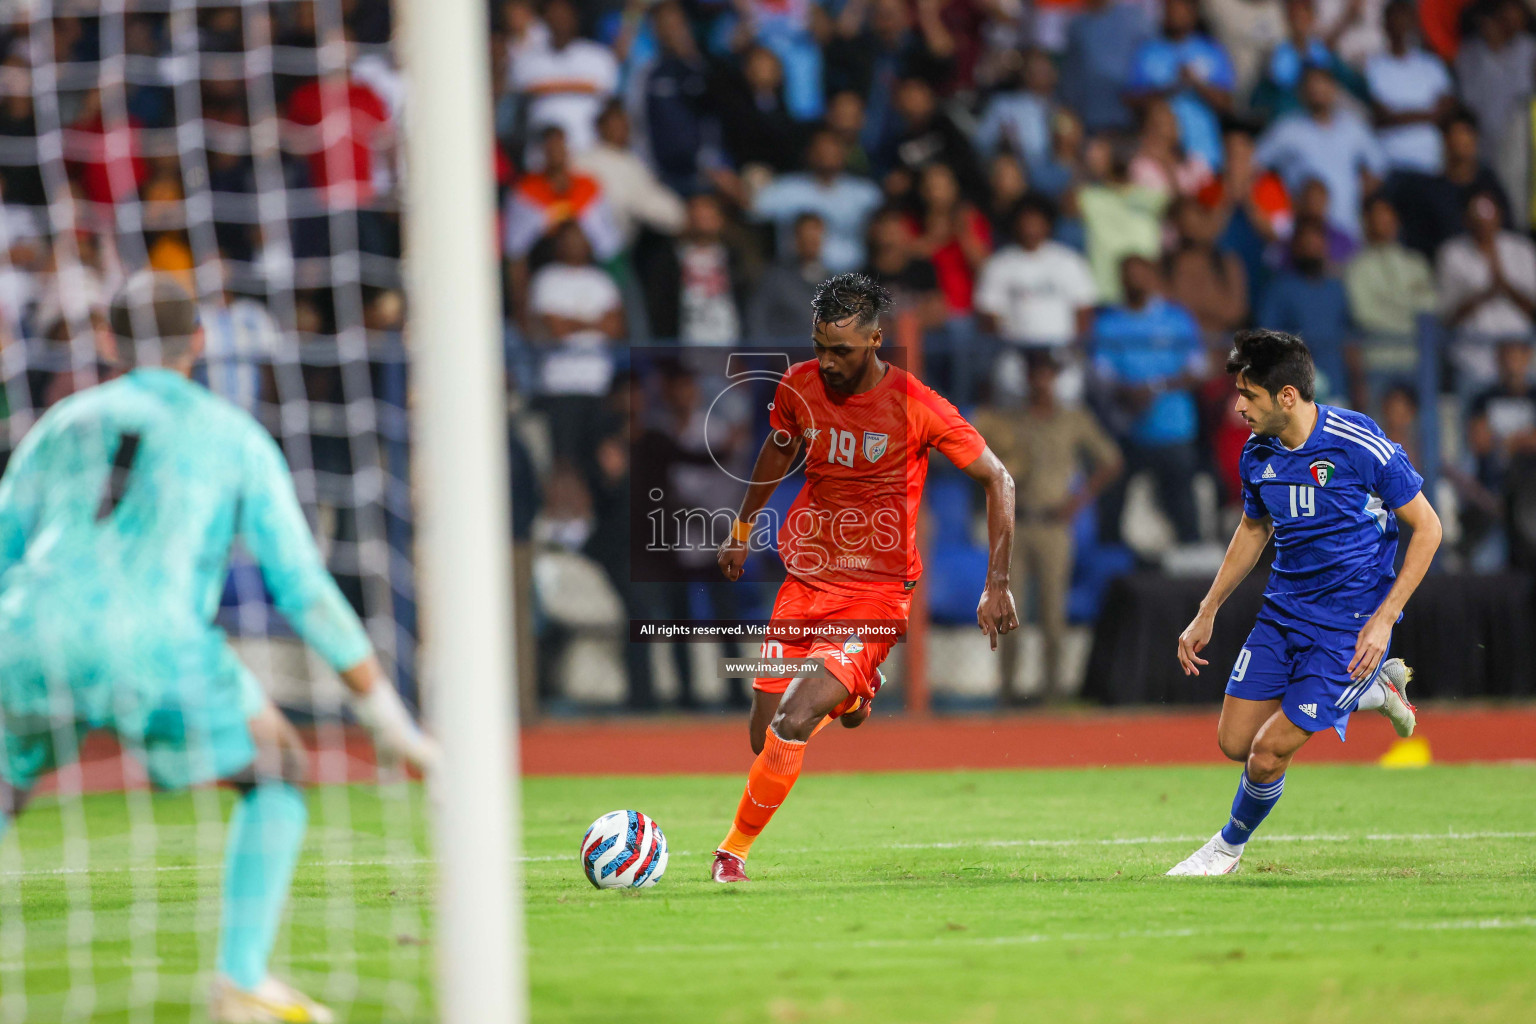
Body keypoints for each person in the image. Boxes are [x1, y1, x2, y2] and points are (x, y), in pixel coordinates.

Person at [0, 275, 435, 1022]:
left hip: (27, 630)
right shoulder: (232, 435)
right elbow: (301, 587)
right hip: (155, 641)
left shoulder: (60, 423)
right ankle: (240, 983)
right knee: (277, 768)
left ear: (108, 340)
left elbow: (6, 545)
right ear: (199, 342)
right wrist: (385, 715)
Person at [708, 273, 1018, 882]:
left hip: (875, 595)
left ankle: (731, 853)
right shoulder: (799, 388)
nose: (826, 361)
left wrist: (997, 582)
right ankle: (856, 689)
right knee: (761, 739)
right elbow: (777, 448)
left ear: (877, 339)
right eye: (819, 346)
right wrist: (743, 531)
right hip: (805, 583)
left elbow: (999, 479)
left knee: (791, 723)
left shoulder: (917, 405)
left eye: (841, 350)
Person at [1168, 328, 1440, 875]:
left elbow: (1428, 528)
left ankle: (1226, 849)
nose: (1237, 405)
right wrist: (1207, 610)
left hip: (1349, 624)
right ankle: (1374, 690)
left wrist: (1385, 618)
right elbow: (1252, 529)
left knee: (1267, 753)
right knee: (1234, 741)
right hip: (1283, 612)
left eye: (1249, 395)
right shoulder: (1257, 453)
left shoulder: (1359, 444)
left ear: (1287, 396)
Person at [973, 350, 1122, 700]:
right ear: (1026, 378)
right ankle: (1008, 691)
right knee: (1009, 613)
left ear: (1055, 378)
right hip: (1015, 524)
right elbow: (974, 446)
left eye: (1047, 373)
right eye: (1035, 373)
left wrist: (1078, 500)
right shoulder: (1009, 419)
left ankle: (1052, 691)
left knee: (1053, 614)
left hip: (1055, 523)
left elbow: (1111, 460)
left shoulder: (1073, 419)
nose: (1041, 380)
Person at [1091, 254, 1206, 545]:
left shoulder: (1176, 318)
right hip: (1126, 430)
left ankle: (1191, 556)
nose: (1135, 280)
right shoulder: (1108, 323)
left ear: (1153, 276)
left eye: (1141, 273)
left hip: (1174, 429)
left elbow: (1198, 368)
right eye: (1128, 274)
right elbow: (1100, 374)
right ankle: (1112, 560)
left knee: (1180, 500)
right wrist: (1126, 393)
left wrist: (1155, 387)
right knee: (1114, 499)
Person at [1254, 64, 1386, 242]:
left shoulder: (1352, 127)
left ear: (1333, 88)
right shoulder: (1287, 129)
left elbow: (1378, 166)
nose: (1316, 90)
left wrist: (1356, 193)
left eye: (1322, 83)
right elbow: (1254, 164)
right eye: (1311, 85)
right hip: (1303, 236)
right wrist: (1278, 206)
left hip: (1346, 228)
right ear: (1301, 92)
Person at [974, 192, 1098, 352]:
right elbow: (989, 312)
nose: (1030, 227)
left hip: (1061, 355)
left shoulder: (1069, 261)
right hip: (1015, 355)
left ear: (1047, 224)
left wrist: (1074, 349)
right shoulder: (998, 265)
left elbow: (1083, 308)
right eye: (1026, 221)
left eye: (1036, 221)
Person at [1436, 191, 1536, 386]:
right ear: (1467, 220)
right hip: (1473, 357)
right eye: (1478, 218)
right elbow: (1447, 317)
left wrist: (1506, 287)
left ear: (1499, 216)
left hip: (1521, 356)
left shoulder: (1522, 249)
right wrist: (1485, 293)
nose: (1484, 224)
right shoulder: (1452, 253)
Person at [751, 127, 883, 274]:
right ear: (809, 153)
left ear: (845, 152)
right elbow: (752, 211)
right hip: (798, 278)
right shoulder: (784, 189)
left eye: (832, 148)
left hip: (854, 277)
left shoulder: (866, 193)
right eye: (821, 149)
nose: (826, 154)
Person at [1125, 0, 1235, 172]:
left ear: (1193, 11)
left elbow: (1227, 103)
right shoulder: (1148, 51)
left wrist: (1196, 83)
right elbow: (1132, 99)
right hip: (1160, 157)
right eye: (1169, 7)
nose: (1174, 12)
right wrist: (1169, 88)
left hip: (1204, 156)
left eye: (1180, 6)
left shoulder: (1211, 50)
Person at [1258, 217, 1357, 404]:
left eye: (1317, 243)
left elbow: (1349, 339)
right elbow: (1265, 338)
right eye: (1306, 243)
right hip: (1293, 391)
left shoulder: (1337, 289)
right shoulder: (1280, 288)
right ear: (1296, 247)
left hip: (1335, 388)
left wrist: (1357, 383)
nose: (1312, 248)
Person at [1344, 193, 1436, 392]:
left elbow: (1429, 306)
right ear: (1366, 221)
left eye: (1388, 215)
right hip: (1377, 361)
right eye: (1377, 216)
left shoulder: (1416, 263)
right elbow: (1364, 314)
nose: (1383, 221)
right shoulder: (1356, 267)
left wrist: (1388, 304)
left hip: (1413, 360)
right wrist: (1406, 308)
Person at [508, 0, 618, 155]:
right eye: (553, 15)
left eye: (564, 14)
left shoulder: (599, 57)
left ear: (575, 17)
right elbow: (520, 94)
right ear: (544, 19)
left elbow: (610, 99)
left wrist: (548, 87)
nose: (559, 20)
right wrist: (578, 86)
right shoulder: (527, 61)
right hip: (542, 156)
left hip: (589, 151)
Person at [1365, 0, 1454, 175]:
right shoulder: (1373, 66)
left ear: (1413, 22)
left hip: (1430, 162)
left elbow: (1447, 110)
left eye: (1405, 17)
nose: (1400, 23)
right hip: (1390, 164)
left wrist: (1400, 116)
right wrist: (1428, 115)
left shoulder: (1431, 65)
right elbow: (1382, 115)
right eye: (1395, 17)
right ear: (1384, 24)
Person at [749, 212, 829, 338]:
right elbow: (757, 322)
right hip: (786, 353)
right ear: (795, 239)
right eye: (805, 237)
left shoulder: (834, 281)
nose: (811, 242)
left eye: (815, 237)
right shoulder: (775, 278)